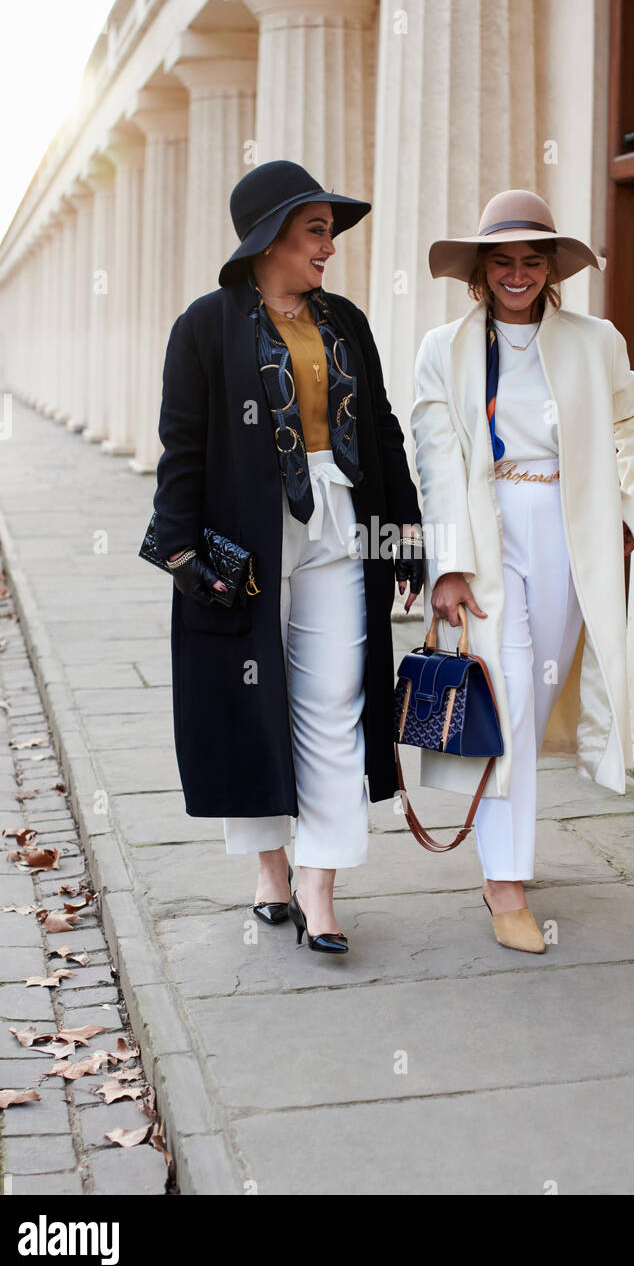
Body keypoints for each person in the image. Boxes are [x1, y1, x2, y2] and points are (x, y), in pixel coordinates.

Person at [152, 160, 423, 955]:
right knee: (249, 699)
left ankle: (319, 882)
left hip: (341, 522)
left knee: (334, 695)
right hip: (244, 536)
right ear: (270, 237)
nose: (329, 247)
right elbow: (183, 445)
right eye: (316, 231)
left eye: (329, 233)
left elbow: (379, 425)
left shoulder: (346, 321)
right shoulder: (205, 325)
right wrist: (177, 548)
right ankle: (271, 871)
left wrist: (405, 526)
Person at [410, 189, 634, 954]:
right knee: (503, 704)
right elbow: (434, 460)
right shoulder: (445, 347)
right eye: (501, 261)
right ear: (479, 270)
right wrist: (447, 564)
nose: (516, 273)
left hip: (573, 536)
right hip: (487, 534)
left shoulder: (594, 340)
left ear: (550, 269)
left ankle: (508, 847)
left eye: (531, 261)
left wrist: (632, 511)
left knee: (533, 699)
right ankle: (504, 882)